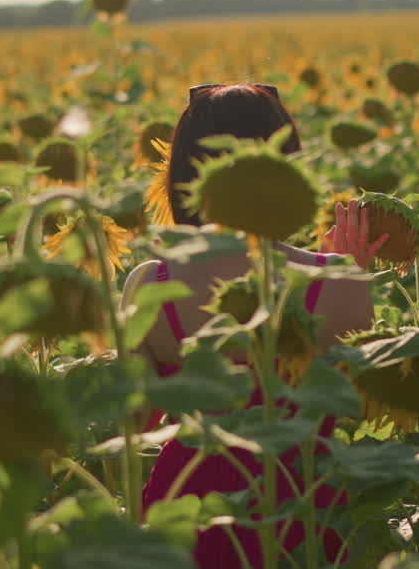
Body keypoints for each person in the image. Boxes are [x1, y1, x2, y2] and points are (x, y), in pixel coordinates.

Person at [121, 83, 388, 569]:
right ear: (287, 166)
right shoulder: (337, 282)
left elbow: (134, 422)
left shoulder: (150, 285)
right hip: (303, 503)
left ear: (184, 173)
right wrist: (347, 269)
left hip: (187, 508)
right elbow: (361, 413)